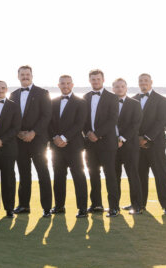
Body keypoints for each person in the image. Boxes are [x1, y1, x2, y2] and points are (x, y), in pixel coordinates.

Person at [11, 65, 52, 216]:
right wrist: (19, 133)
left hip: (38, 140)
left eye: (27, 74)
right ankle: (23, 205)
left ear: (32, 75)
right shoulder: (13, 94)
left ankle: (47, 208)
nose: (25, 76)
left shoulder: (42, 93)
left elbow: (46, 115)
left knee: (43, 173)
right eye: (22, 74)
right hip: (20, 140)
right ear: (18, 76)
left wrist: (33, 132)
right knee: (23, 173)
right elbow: (12, 117)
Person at [48, 75, 88, 218]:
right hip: (56, 147)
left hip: (74, 146)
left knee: (79, 176)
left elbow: (80, 124)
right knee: (58, 176)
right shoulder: (52, 102)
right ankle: (59, 206)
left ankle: (83, 208)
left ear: (72, 85)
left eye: (68, 83)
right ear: (58, 85)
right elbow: (49, 123)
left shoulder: (81, 102)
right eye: (62, 83)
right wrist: (55, 138)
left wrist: (64, 138)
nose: (65, 86)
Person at [134, 73, 166, 215]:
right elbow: (131, 122)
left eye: (146, 80)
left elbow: (161, 121)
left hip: (155, 144)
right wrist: (137, 139)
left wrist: (146, 137)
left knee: (161, 175)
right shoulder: (133, 100)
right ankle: (139, 204)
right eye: (141, 81)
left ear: (151, 82)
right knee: (139, 175)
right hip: (137, 145)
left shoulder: (162, 100)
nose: (143, 83)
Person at [84, 69, 120, 216]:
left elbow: (113, 120)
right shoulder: (85, 97)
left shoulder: (112, 97)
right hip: (90, 143)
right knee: (93, 173)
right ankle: (96, 204)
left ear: (103, 80)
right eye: (93, 79)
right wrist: (87, 133)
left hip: (107, 142)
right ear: (90, 80)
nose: (95, 81)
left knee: (110, 174)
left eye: (98, 79)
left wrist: (97, 134)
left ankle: (114, 207)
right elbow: (83, 119)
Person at [0, 81, 22, 218]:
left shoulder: (14, 106)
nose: (0, 90)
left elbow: (16, 128)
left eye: (3, 88)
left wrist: (1, 140)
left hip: (8, 147)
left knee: (8, 179)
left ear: (6, 90)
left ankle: (9, 209)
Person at [112, 78, 144, 215]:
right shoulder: (108, 103)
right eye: (117, 86)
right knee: (114, 176)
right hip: (112, 146)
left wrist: (122, 139)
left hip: (129, 145)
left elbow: (135, 124)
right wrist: (113, 140)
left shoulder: (135, 104)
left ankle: (137, 206)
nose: (120, 89)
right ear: (113, 88)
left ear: (126, 88)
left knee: (133, 175)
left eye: (122, 86)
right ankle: (115, 206)